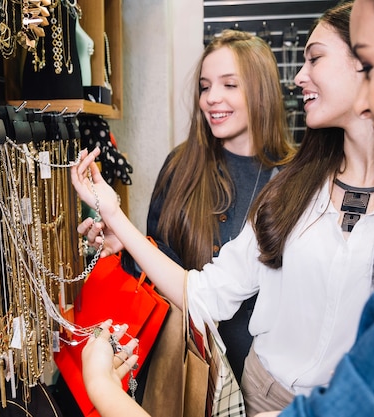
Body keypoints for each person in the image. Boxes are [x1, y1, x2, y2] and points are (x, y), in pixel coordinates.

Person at [84, 0, 374, 415]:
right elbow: (205, 292)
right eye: (205, 85)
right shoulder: (290, 188)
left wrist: (101, 387)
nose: (298, 77)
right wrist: (115, 218)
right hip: (258, 392)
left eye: (316, 59)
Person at [82, 28, 296, 383]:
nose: (212, 98)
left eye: (230, 84)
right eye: (205, 86)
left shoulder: (292, 178)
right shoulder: (181, 166)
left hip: (261, 379)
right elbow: (158, 263)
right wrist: (122, 244)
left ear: (263, 92)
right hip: (186, 372)